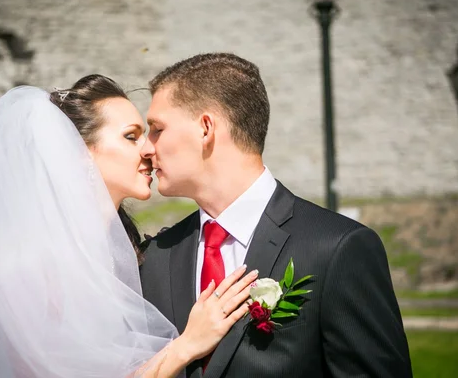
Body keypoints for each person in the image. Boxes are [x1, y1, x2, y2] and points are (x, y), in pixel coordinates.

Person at [0, 75, 257, 378]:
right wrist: (187, 346)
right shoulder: (26, 273)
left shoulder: (135, 254)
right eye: (131, 136)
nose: (150, 150)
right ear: (78, 152)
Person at [139, 54, 413, 377]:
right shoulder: (155, 258)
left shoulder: (336, 249)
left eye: (156, 129)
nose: (146, 147)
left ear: (205, 128)